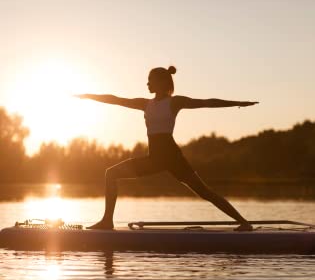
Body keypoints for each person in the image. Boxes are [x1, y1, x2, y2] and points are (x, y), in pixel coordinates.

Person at [75, 66, 258, 231]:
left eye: (150, 79)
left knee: (205, 192)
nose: (147, 83)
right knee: (111, 173)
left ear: (162, 82)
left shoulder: (174, 102)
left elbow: (207, 102)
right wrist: (88, 96)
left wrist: (237, 103)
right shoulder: (145, 104)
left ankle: (244, 223)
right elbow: (116, 100)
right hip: (154, 159)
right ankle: (107, 221)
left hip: (173, 158)